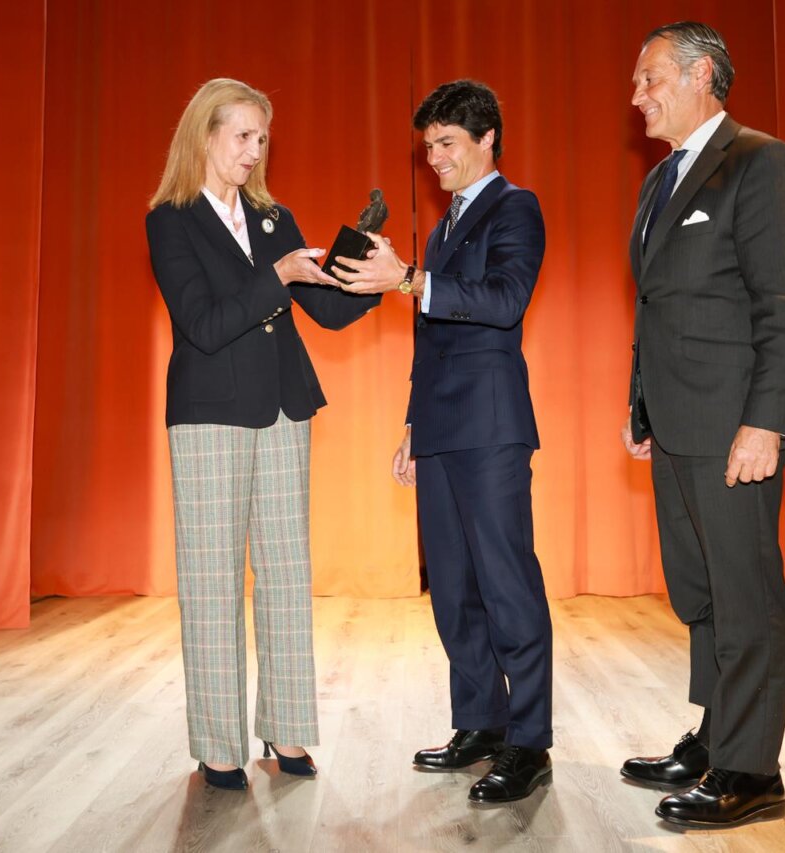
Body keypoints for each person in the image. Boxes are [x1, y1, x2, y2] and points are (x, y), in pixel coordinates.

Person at [146, 78, 380, 790]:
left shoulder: (274, 216)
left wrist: (364, 273)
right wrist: (277, 274)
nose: (254, 151)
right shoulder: (171, 219)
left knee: (286, 576)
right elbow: (204, 325)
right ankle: (218, 744)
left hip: (284, 408)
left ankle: (286, 731)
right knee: (212, 578)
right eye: (243, 136)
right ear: (205, 135)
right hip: (211, 412)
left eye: (262, 138)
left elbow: (327, 315)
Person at [620, 22, 785, 827]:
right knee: (699, 593)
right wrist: (640, 403)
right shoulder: (661, 179)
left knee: (746, 598)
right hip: (675, 423)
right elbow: (655, 305)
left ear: (702, 74)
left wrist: (765, 422)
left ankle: (750, 770)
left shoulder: (760, 161)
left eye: (650, 77)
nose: (637, 95)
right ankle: (712, 735)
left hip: (736, 425)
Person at [334, 79, 552, 805]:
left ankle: (528, 742)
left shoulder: (516, 207)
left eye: (447, 143)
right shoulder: (441, 226)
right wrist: (410, 422)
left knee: (505, 581)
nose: (435, 159)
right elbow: (430, 339)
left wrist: (409, 278)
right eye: (428, 147)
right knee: (453, 588)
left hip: (491, 427)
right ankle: (480, 722)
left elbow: (504, 300)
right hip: (440, 428)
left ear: (487, 138)